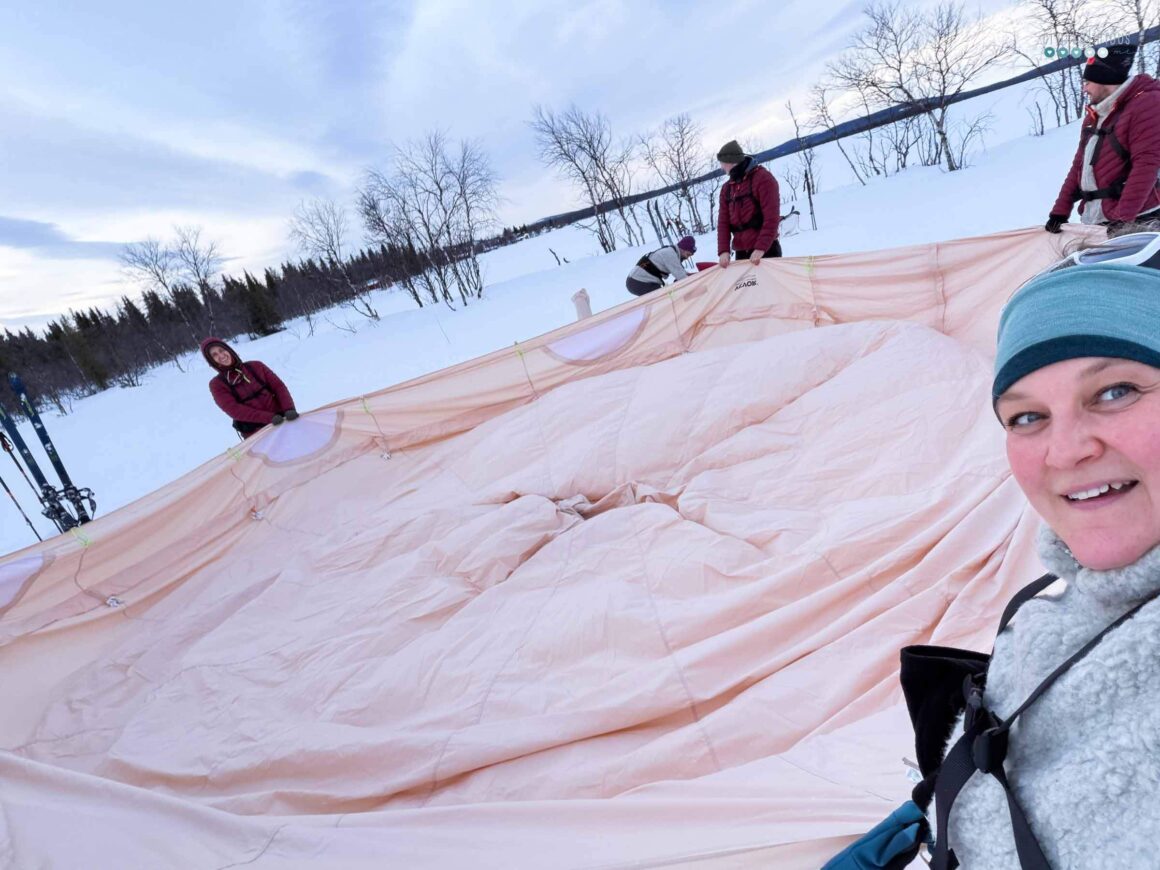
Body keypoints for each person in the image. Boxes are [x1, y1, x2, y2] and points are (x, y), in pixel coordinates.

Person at [825, 231, 1160, 870]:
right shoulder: (1056, 609)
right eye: (1026, 416)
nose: (1065, 451)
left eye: (1115, 391)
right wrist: (937, 807)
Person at [1046, 43, 1160, 236]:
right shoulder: (1094, 117)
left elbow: (1146, 165)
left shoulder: (1146, 104)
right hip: (1098, 222)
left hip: (1140, 222)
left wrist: (1123, 222)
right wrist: (1060, 211)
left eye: (1088, 82)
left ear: (1104, 80)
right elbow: (1079, 167)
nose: (1084, 88)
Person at [200, 337, 298, 438]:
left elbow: (278, 387)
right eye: (214, 355)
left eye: (221, 350)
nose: (221, 355)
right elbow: (235, 410)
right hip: (257, 435)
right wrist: (270, 418)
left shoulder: (256, 366)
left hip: (283, 420)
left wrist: (289, 409)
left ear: (228, 350)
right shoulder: (217, 385)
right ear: (212, 361)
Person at [715, 140, 781, 267]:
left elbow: (771, 218)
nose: (722, 167)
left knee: (769, 287)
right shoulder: (727, 188)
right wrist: (723, 251)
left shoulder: (763, 179)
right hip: (741, 253)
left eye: (722, 163)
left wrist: (761, 248)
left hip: (766, 250)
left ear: (731, 161)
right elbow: (723, 222)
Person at [625, 236, 697, 296]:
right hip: (638, 282)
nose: (687, 258)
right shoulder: (670, 254)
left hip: (638, 281)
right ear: (682, 249)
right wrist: (698, 285)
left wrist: (695, 276)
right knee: (668, 297)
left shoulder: (672, 252)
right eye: (688, 254)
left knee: (669, 295)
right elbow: (682, 278)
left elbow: (682, 272)